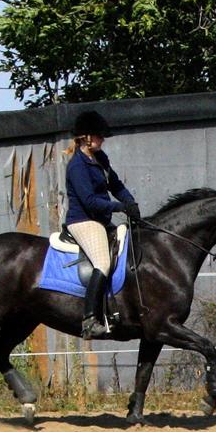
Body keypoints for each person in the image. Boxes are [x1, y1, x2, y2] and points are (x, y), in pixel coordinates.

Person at [64, 109, 141, 338]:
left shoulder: (100, 159)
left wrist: (130, 202)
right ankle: (89, 319)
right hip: (84, 221)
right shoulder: (77, 166)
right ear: (86, 137)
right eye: (99, 135)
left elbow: (115, 185)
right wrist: (118, 208)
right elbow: (89, 201)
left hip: (101, 219)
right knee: (103, 263)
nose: (102, 139)